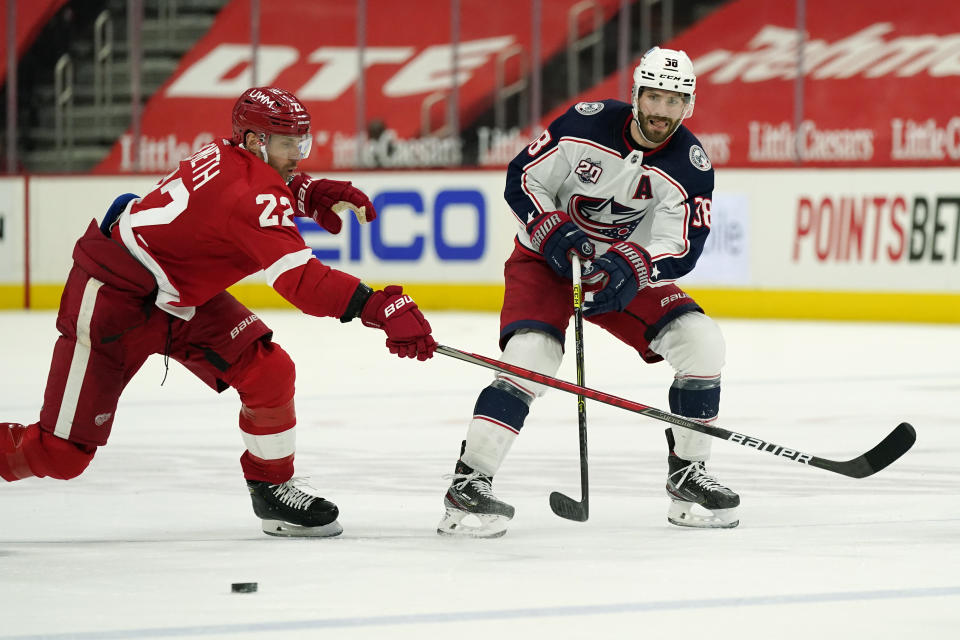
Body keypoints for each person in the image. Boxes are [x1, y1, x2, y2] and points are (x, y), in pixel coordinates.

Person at [0, 87, 437, 538]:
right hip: (113, 300)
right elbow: (301, 284)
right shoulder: (252, 191)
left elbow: (250, 193)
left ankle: (272, 490)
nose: (297, 154)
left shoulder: (228, 152)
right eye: (288, 144)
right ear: (253, 141)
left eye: (301, 143)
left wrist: (304, 193)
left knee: (269, 372)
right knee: (61, 454)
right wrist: (376, 304)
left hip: (177, 295)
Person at [437, 47, 738, 538]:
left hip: (620, 271)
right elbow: (523, 178)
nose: (662, 110)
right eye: (654, 96)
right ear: (636, 93)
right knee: (530, 357)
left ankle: (689, 476)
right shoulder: (584, 124)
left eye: (674, 100)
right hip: (546, 259)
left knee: (702, 343)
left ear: (689, 105)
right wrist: (553, 230)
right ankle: (469, 486)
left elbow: (682, 246)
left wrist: (631, 264)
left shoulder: (691, 164)